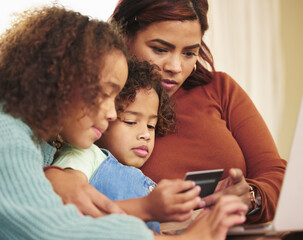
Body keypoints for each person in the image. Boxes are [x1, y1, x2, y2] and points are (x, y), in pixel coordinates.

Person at [0, 5, 248, 240]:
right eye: (105, 94)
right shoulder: (8, 134)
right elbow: (55, 230)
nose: (111, 114)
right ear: (58, 79)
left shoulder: (36, 142)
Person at [109, 0, 287, 224]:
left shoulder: (220, 89)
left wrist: (252, 196)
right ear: (124, 36)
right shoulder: (101, 101)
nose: (175, 66)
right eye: (160, 49)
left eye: (189, 53)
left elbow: (278, 175)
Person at [51, 59, 176, 233]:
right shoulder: (85, 155)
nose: (145, 134)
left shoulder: (142, 181)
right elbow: (69, 203)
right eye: (131, 122)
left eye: (151, 126)